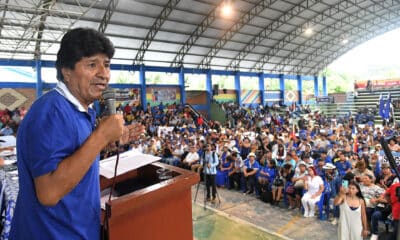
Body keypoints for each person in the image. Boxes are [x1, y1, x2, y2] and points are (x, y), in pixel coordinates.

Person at [10, 28, 144, 239]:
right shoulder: (52, 112)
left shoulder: (80, 111)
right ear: (67, 71)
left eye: (106, 65)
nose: (103, 74)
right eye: (92, 64)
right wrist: (100, 137)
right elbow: (49, 193)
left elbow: (71, 159)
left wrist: (106, 142)